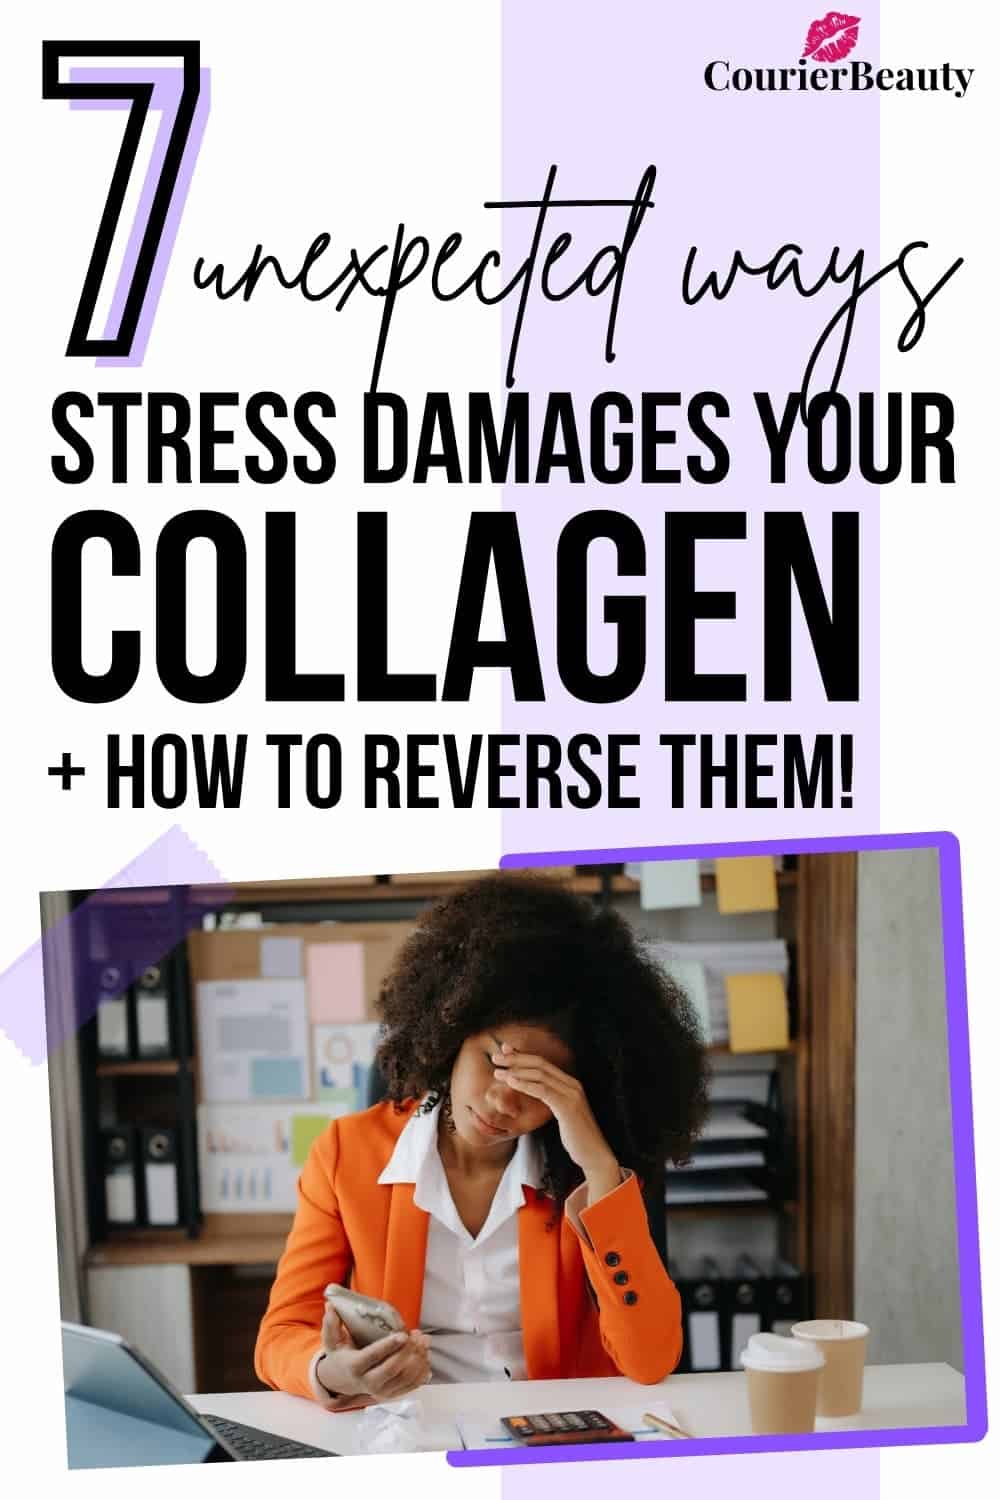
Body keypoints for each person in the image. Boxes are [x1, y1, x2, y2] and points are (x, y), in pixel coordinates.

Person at [255, 874, 709, 1409]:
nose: (503, 1100)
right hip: (410, 1425)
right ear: (449, 1032)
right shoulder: (346, 1154)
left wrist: (600, 1172)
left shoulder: (594, 1174)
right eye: (495, 1061)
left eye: (540, 1084)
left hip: (551, 1430)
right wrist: (334, 1372)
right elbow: (282, 1333)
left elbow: (651, 1359)